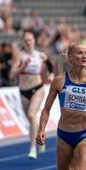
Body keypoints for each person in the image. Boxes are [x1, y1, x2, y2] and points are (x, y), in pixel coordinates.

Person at [10, 31, 54, 159]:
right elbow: (12, 74)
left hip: (37, 88)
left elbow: (50, 64)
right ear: (23, 42)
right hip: (24, 91)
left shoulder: (40, 55)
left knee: (31, 114)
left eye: (30, 40)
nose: (28, 42)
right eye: (25, 41)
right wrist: (22, 66)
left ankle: (32, 148)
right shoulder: (19, 56)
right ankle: (40, 134)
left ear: (34, 41)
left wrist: (50, 74)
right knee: (30, 119)